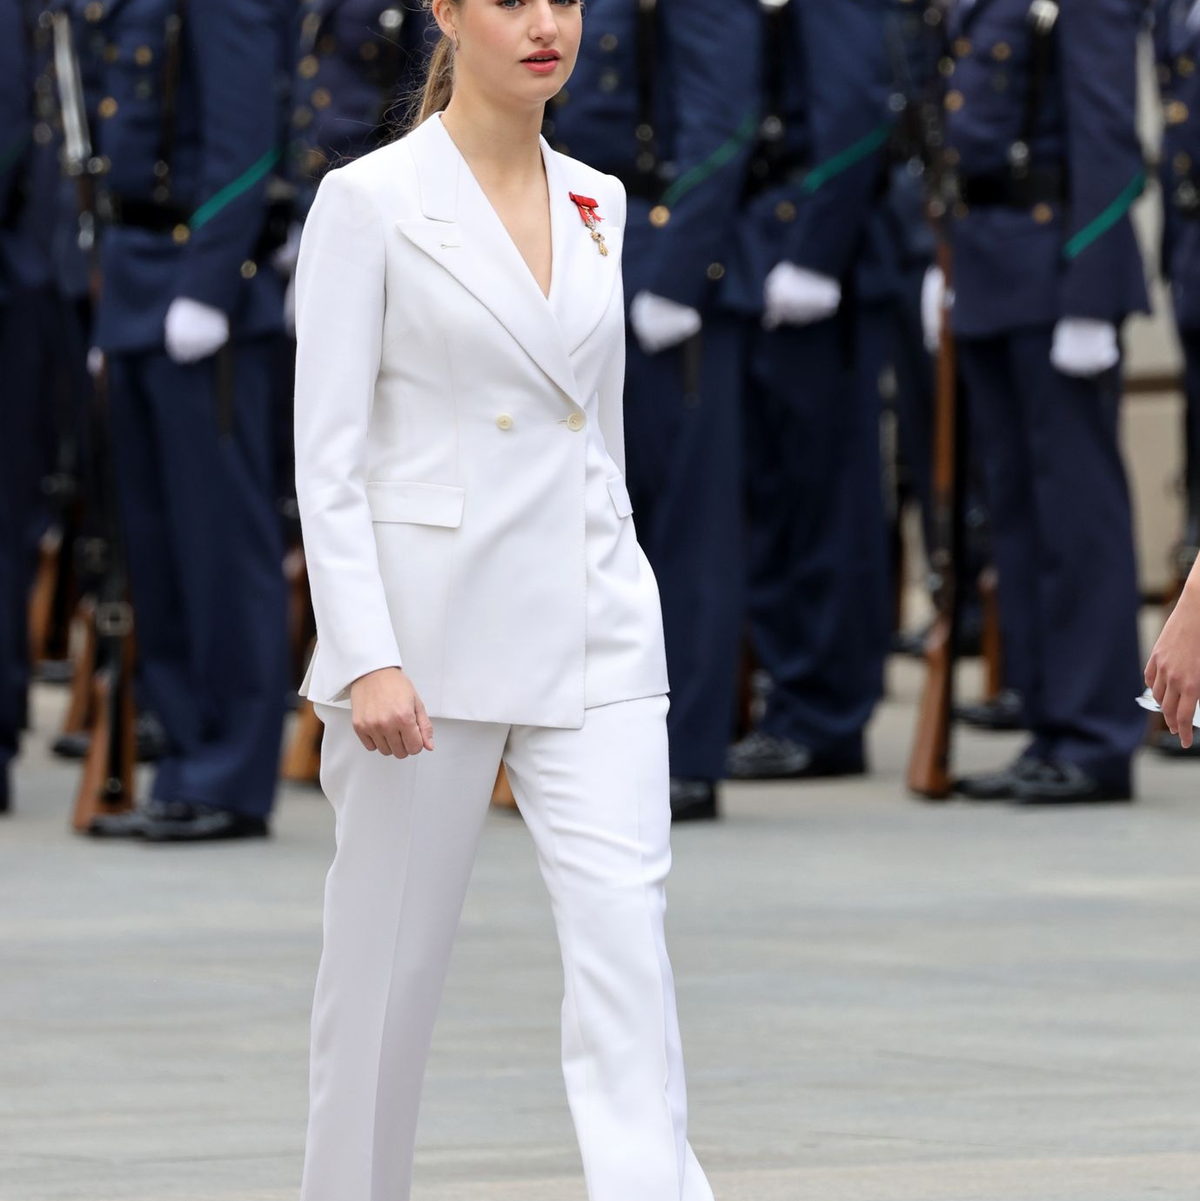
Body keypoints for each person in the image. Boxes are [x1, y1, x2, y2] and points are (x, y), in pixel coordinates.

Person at [293, 1, 712, 1198]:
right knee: (383, 983)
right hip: (423, 645)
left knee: (630, 965)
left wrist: (623, 582)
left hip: (594, 630)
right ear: (444, 9)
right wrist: (365, 654)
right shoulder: (368, 202)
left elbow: (599, 438)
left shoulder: (600, 199)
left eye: (566, 1)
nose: (545, 25)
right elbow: (327, 460)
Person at [542, 0, 760, 821]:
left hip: (670, 277)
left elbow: (723, 118)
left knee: (686, 532)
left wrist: (674, 274)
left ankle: (687, 753)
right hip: (590, 258)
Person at [81, 0, 292, 841]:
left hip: (199, 293)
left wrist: (209, 283)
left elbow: (246, 140)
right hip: (135, 281)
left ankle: (232, 773)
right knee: (159, 552)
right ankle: (184, 761)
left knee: (219, 550)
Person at [936, 0, 1149, 804]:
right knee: (1020, 517)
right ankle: (1048, 719)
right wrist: (945, 260)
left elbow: (1108, 135)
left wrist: (1092, 294)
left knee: (1077, 518)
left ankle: (1096, 733)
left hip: (1058, 271)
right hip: (994, 266)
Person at [722, 0, 894, 783]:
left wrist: (817, 251)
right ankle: (793, 697)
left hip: (814, 258)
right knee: (775, 492)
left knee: (824, 498)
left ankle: (826, 711)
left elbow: (857, 108)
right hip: (762, 246)